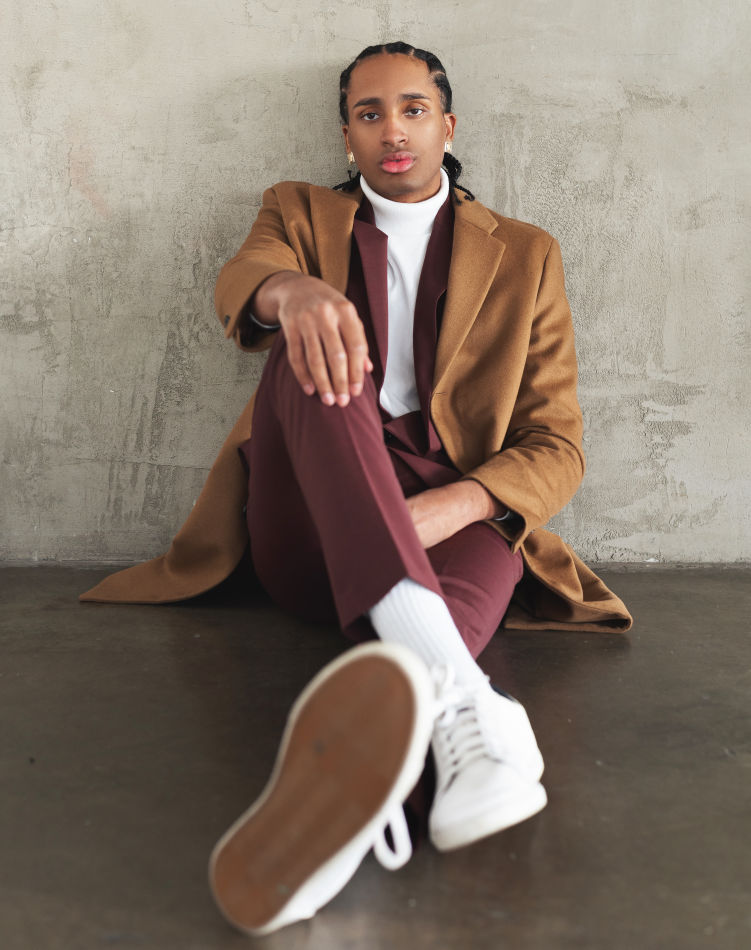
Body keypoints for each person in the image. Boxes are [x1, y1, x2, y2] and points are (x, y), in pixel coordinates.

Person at [80, 42, 632, 934]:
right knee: (313, 347)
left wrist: (448, 507)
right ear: (346, 136)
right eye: (369, 113)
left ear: (448, 126)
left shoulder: (526, 254)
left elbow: (555, 443)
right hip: (312, 519)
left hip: (458, 514)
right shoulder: (298, 212)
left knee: (442, 611)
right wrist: (292, 293)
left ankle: (358, 813)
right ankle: (471, 702)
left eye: (413, 109)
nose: (392, 130)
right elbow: (241, 280)